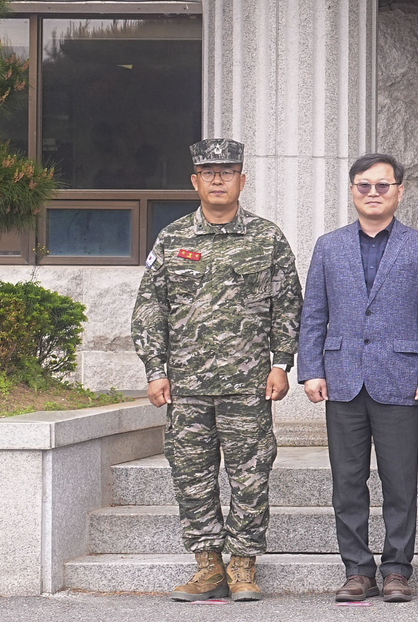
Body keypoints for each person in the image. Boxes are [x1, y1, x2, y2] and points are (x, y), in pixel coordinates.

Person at [131, 138, 303, 604]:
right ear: (195, 181)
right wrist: (155, 369)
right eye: (209, 173)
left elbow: (288, 306)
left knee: (250, 475)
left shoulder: (266, 237)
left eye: (227, 172)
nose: (219, 180)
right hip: (185, 387)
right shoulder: (172, 239)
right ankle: (208, 566)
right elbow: (150, 308)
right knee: (192, 474)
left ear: (242, 180)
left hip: (248, 386)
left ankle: (243, 565)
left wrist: (281, 363)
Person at [299, 152, 418, 604]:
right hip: (342, 376)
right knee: (347, 480)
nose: (373, 193)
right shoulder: (328, 246)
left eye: (382, 186)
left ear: (399, 192)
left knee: (400, 480)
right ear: (352, 191)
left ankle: (398, 570)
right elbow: (314, 315)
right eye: (364, 186)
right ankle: (357, 570)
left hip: (401, 378)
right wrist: (310, 369)